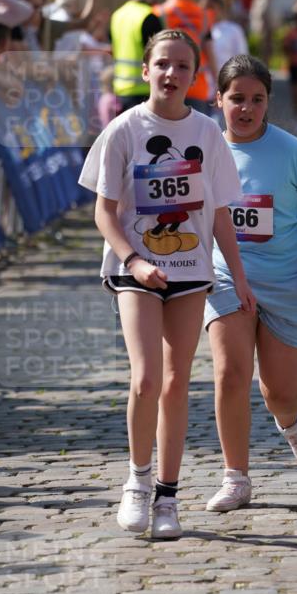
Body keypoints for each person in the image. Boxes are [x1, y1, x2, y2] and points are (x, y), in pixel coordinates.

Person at [78, 30, 254, 539]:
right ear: (145, 70)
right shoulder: (124, 129)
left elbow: (220, 214)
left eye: (181, 66)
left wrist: (238, 278)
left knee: (177, 382)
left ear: (195, 75)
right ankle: (136, 481)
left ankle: (167, 496)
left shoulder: (207, 133)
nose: (171, 74)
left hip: (191, 269)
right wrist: (133, 261)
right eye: (162, 64)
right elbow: (104, 212)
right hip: (135, 269)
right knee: (146, 379)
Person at [204, 55, 297, 513]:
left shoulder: (289, 150)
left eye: (257, 99)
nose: (246, 108)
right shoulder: (205, 149)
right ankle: (235, 478)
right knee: (230, 374)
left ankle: (291, 422)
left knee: (279, 391)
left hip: (286, 281)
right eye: (236, 98)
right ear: (218, 100)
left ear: (268, 102)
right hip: (226, 275)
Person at [155, 0, 217, 116]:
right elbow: (210, 51)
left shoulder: (161, 12)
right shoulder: (204, 15)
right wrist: (218, 82)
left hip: (169, 84)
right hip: (198, 84)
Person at [110, 0, 162, 113]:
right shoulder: (149, 16)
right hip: (143, 92)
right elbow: (159, 56)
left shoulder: (117, 15)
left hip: (119, 91)